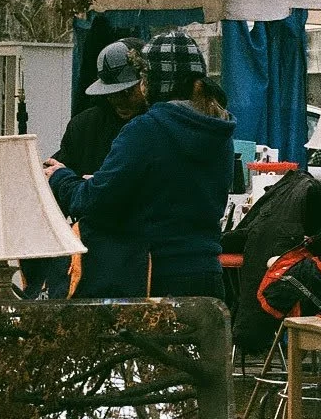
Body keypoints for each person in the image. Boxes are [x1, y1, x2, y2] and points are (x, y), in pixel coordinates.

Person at [45, 31, 235, 298]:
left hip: (156, 276)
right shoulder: (219, 129)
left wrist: (61, 177)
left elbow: (93, 201)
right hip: (210, 276)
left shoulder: (146, 130)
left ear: (151, 81)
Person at [23, 39, 148, 298]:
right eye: (112, 93)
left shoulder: (153, 128)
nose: (119, 100)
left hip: (142, 259)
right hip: (89, 259)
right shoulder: (84, 126)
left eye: (126, 91)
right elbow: (53, 179)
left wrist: (83, 185)